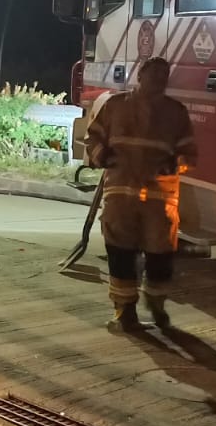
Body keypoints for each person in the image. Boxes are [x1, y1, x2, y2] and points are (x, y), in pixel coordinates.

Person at [84, 57, 196, 331]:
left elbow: (189, 153)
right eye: (153, 73)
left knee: (160, 257)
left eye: (163, 75)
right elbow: (93, 137)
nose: (158, 79)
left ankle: (156, 305)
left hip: (159, 201)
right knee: (120, 254)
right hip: (121, 197)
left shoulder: (176, 112)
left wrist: (176, 163)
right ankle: (125, 312)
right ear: (140, 76)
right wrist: (102, 156)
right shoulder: (115, 105)